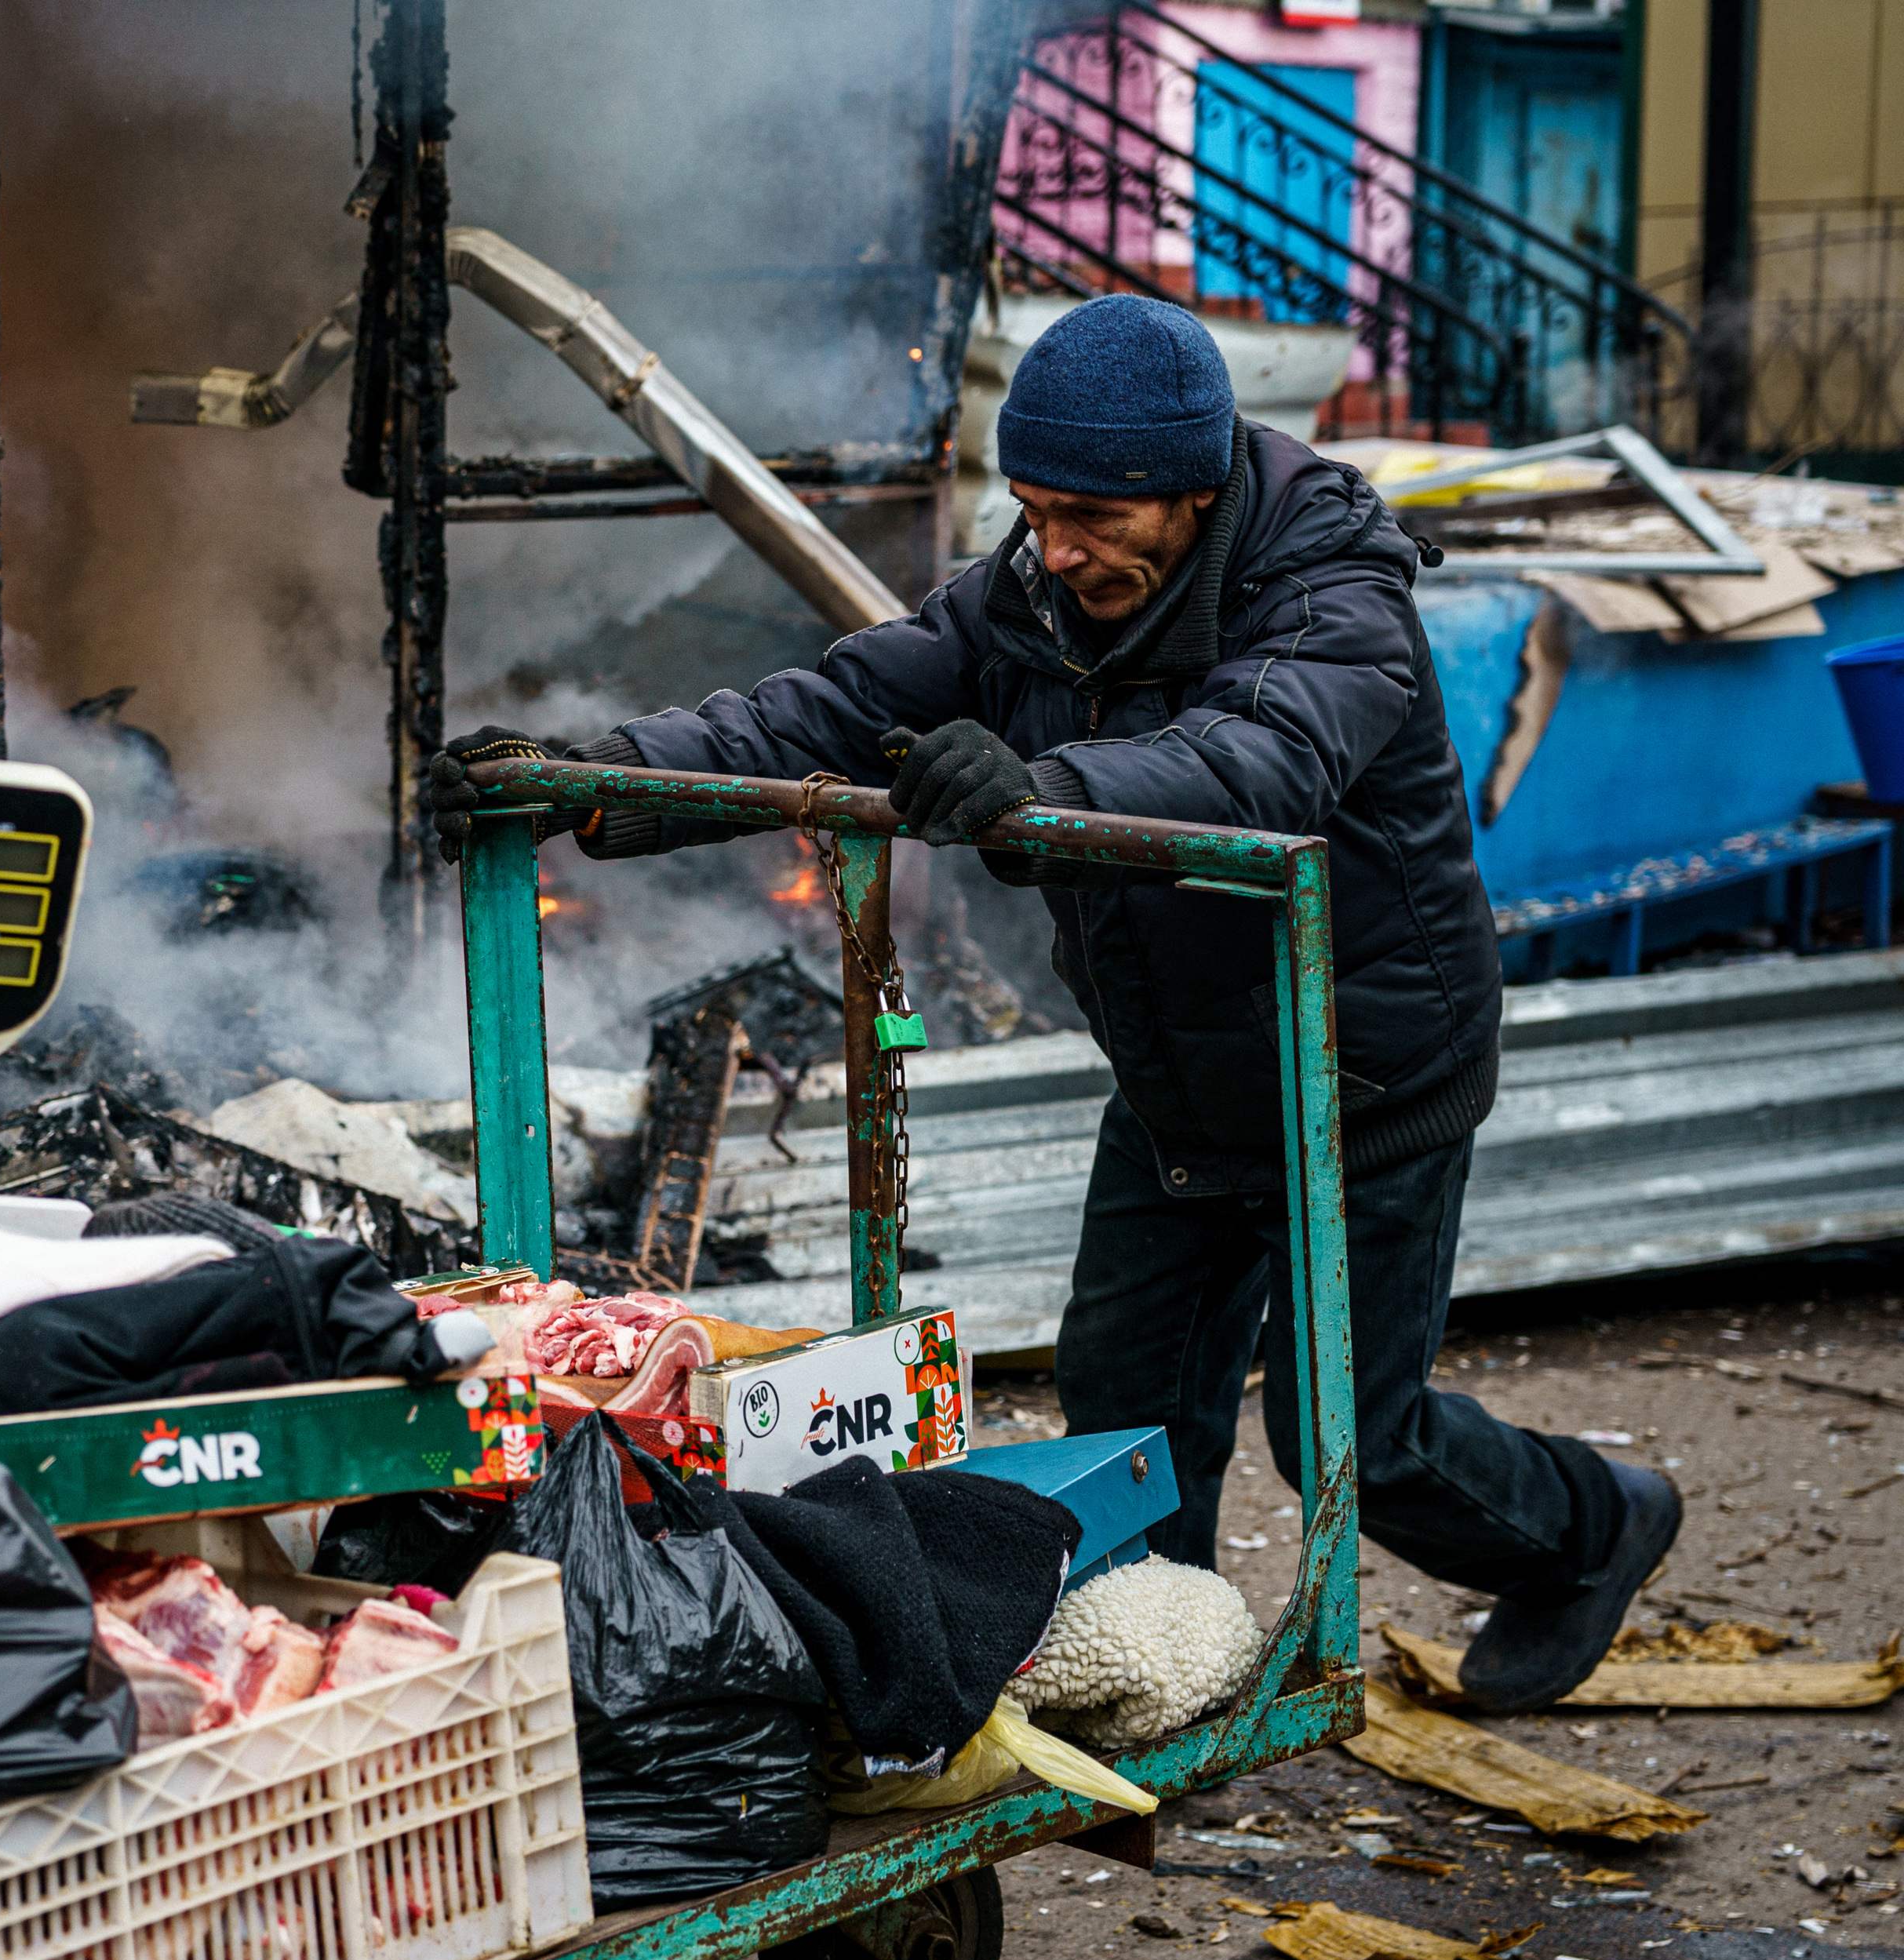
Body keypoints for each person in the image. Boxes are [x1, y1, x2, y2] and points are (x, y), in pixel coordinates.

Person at [426, 293, 1676, 1715]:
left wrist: (1045, 789)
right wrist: (594, 781)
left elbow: (1259, 760)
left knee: (1354, 1437)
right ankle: (1176, 1672)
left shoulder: (1337, 594)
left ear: (1194, 492)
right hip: (1174, 1078)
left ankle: (1596, 1527)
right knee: (1128, 1413)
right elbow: (822, 710)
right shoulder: (1028, 595)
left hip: (1360, 1074)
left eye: (1092, 517)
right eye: (1033, 512)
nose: (1057, 549)